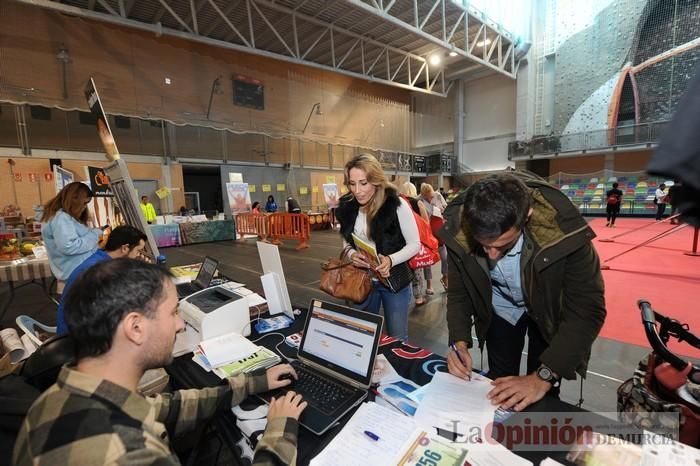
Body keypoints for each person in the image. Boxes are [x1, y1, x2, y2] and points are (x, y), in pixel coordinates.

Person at [13, 259, 306, 465]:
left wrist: (254, 382)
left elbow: (165, 406)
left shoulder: (56, 398)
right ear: (135, 327)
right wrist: (278, 430)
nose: (180, 325)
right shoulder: (131, 453)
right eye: (173, 313)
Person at [441, 173, 606, 412]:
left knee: (541, 390)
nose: (491, 255)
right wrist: (459, 343)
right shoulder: (459, 228)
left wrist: (543, 377)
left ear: (526, 216)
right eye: (483, 244)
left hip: (547, 311)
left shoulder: (566, 233)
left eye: (501, 245)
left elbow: (587, 310)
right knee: (498, 380)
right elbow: (459, 293)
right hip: (501, 309)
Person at [335, 154, 420, 341]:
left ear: (376, 181)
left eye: (363, 183)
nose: (357, 190)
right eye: (352, 183)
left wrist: (391, 260)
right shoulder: (347, 206)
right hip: (361, 280)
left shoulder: (396, 205)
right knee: (362, 336)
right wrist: (351, 254)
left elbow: (415, 244)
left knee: (397, 338)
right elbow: (346, 240)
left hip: (394, 281)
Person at [55, 225, 148, 335]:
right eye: (138, 251)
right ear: (125, 248)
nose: (138, 255)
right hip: (76, 339)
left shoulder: (100, 260)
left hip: (77, 330)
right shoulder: (100, 271)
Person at [41, 181, 103, 281]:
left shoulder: (61, 216)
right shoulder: (61, 218)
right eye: (84, 203)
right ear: (74, 199)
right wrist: (94, 234)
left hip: (78, 272)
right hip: (77, 273)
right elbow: (69, 246)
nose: (84, 207)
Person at [398, 181, 430, 307]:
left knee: (404, 268)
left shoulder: (399, 203)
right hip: (415, 240)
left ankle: (404, 296)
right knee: (416, 268)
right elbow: (426, 222)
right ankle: (418, 297)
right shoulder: (418, 202)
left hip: (400, 241)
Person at [419, 183, 448, 291]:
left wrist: (440, 209)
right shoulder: (419, 200)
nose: (430, 198)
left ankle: (445, 277)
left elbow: (446, 208)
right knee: (427, 262)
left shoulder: (438, 195)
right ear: (423, 195)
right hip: (428, 234)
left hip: (440, 233)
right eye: (427, 197)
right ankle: (429, 284)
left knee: (445, 258)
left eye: (431, 196)